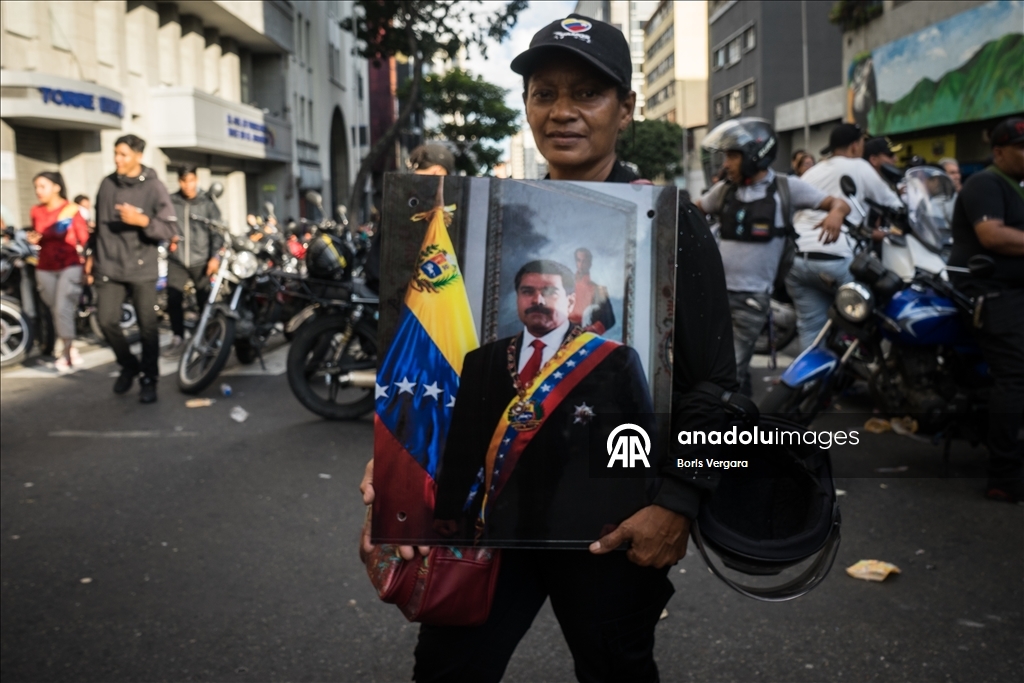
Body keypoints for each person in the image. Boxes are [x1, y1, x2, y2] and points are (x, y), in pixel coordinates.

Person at [361, 14, 737, 682]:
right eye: (544, 92)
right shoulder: (480, 211)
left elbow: (717, 386)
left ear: (625, 108)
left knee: (616, 669)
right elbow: (440, 380)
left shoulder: (671, 226)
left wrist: (677, 501)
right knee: (447, 670)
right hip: (489, 525)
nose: (562, 111)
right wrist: (397, 481)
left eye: (587, 93)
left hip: (613, 526)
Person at [434, 259, 652, 543]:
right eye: (528, 292)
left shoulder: (614, 359)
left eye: (550, 292)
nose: (537, 300)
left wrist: (624, 515)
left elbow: (635, 442)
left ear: (571, 300)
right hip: (503, 524)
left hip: (585, 525)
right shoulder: (482, 361)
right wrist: (448, 508)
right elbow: (464, 442)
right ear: (518, 299)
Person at [696, 118, 850, 397]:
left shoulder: (786, 187)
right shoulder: (725, 191)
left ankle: (723, 431)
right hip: (715, 295)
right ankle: (741, 421)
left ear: (756, 154)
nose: (726, 164)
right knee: (724, 368)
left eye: (732, 155)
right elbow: (695, 210)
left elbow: (838, 203)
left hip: (752, 300)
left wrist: (836, 214)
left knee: (727, 371)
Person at [948, 117, 1024, 504]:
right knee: (1015, 376)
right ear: (999, 151)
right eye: (1021, 148)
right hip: (991, 293)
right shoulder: (986, 183)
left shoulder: (1015, 186)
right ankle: (1005, 476)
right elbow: (992, 234)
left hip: (1012, 290)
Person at [787, 124, 902, 349]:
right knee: (874, 313)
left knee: (812, 329)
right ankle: (872, 368)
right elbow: (893, 203)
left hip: (798, 261)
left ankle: (814, 382)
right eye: (862, 143)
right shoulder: (859, 166)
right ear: (854, 146)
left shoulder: (814, 170)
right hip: (835, 259)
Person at [90, 134, 177, 403]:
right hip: (108, 265)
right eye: (116, 153)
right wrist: (90, 256)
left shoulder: (154, 187)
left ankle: (149, 378)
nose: (118, 159)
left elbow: (170, 229)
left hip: (141, 268)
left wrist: (142, 221)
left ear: (138, 156)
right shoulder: (106, 184)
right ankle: (129, 365)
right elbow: (98, 225)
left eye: (124, 154)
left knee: (148, 327)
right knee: (106, 321)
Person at [27, 172, 90, 372]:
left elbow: (85, 238)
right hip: (45, 266)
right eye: (36, 187)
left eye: (42, 186)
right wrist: (34, 239)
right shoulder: (36, 211)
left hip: (70, 265)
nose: (38, 191)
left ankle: (66, 351)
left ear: (56, 187)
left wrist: (88, 268)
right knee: (56, 309)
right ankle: (70, 348)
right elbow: (39, 235)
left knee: (62, 308)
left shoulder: (71, 210)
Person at [164, 164, 223, 357]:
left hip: (202, 260)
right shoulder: (172, 201)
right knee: (173, 298)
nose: (187, 185)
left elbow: (217, 232)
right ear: (179, 181)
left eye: (190, 180)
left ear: (196, 180)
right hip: (177, 259)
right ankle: (177, 337)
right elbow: (163, 225)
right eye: (183, 181)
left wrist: (215, 257)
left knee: (204, 300)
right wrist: (168, 239)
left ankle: (208, 336)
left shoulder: (207, 202)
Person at [568, 247, 615, 333]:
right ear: (576, 263)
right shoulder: (565, 285)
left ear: (590, 264)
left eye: (584, 261)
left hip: (585, 335)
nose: (581, 264)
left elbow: (609, 319)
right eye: (579, 260)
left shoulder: (599, 290)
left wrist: (592, 329)